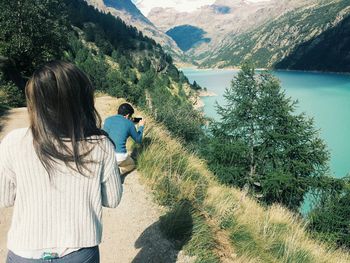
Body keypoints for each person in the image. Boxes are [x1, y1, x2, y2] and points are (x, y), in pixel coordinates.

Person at [0, 61, 122, 262]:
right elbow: (113, 199)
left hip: (24, 252)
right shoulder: (101, 145)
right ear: (82, 101)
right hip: (79, 252)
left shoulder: (14, 141)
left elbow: (4, 198)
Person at [103, 103, 145, 175]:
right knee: (132, 164)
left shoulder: (107, 120)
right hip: (119, 157)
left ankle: (109, 167)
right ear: (128, 115)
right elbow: (139, 140)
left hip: (106, 155)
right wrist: (141, 127)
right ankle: (119, 171)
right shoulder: (129, 124)